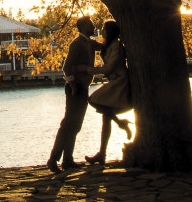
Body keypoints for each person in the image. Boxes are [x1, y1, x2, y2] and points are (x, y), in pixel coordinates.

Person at [46, 14, 98, 173]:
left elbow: (103, 46)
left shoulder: (89, 43)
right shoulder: (77, 44)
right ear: (83, 27)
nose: (94, 26)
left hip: (83, 87)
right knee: (68, 124)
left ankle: (68, 160)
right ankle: (53, 159)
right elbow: (67, 67)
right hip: (76, 88)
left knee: (76, 125)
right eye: (91, 24)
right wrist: (72, 83)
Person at [85, 19, 133, 165]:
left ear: (110, 31)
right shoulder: (109, 45)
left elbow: (109, 68)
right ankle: (102, 153)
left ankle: (119, 126)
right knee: (105, 116)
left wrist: (87, 69)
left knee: (93, 99)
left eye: (105, 28)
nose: (102, 30)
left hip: (119, 82)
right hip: (114, 82)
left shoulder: (117, 47)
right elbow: (100, 47)